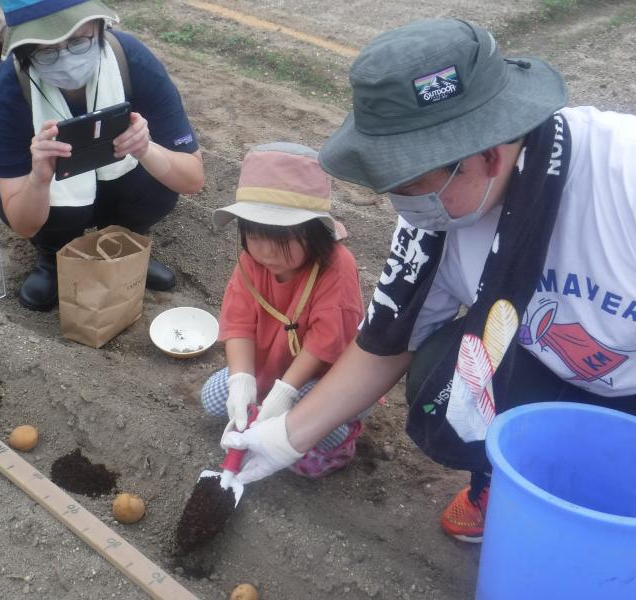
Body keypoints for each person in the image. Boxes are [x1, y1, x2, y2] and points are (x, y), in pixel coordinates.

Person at [222, 18, 636, 543]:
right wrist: (286, 436)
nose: (400, 203)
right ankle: (498, 482)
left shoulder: (621, 180)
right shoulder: (433, 222)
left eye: (411, 183)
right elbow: (386, 343)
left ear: (485, 156)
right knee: (437, 371)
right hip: (534, 354)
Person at [0, 0, 204, 311]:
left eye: (77, 40)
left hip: (120, 177)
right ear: (24, 53)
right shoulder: (9, 88)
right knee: (51, 199)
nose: (65, 58)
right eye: (45, 50)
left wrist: (145, 149)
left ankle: (128, 241)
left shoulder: (131, 60)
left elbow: (192, 178)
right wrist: (39, 178)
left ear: (99, 27)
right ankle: (53, 253)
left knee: (156, 179)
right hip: (48, 199)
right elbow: (23, 223)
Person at [203, 142, 366, 478]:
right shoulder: (251, 262)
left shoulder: (337, 266)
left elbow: (326, 343)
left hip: (321, 380)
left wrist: (284, 394)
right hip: (270, 367)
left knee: (310, 440)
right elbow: (239, 323)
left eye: (281, 239)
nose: (265, 252)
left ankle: (343, 435)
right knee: (214, 398)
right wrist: (242, 381)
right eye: (255, 235)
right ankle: (265, 406)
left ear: (315, 232)